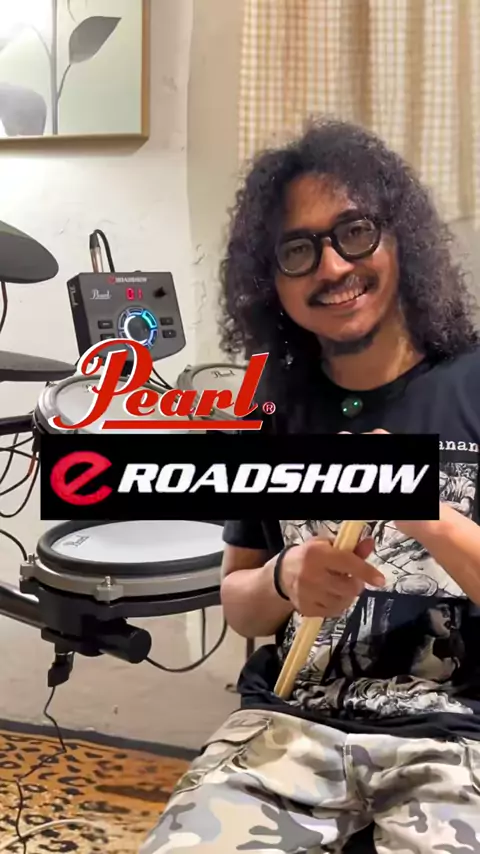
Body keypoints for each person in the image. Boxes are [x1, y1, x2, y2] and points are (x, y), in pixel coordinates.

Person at [141, 119, 480, 854]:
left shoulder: (473, 385)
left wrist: (429, 511)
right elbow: (239, 603)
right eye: (299, 250)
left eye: (354, 232)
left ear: (400, 239)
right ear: (271, 282)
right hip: (290, 725)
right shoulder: (269, 406)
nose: (331, 266)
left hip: (458, 737)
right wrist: (284, 577)